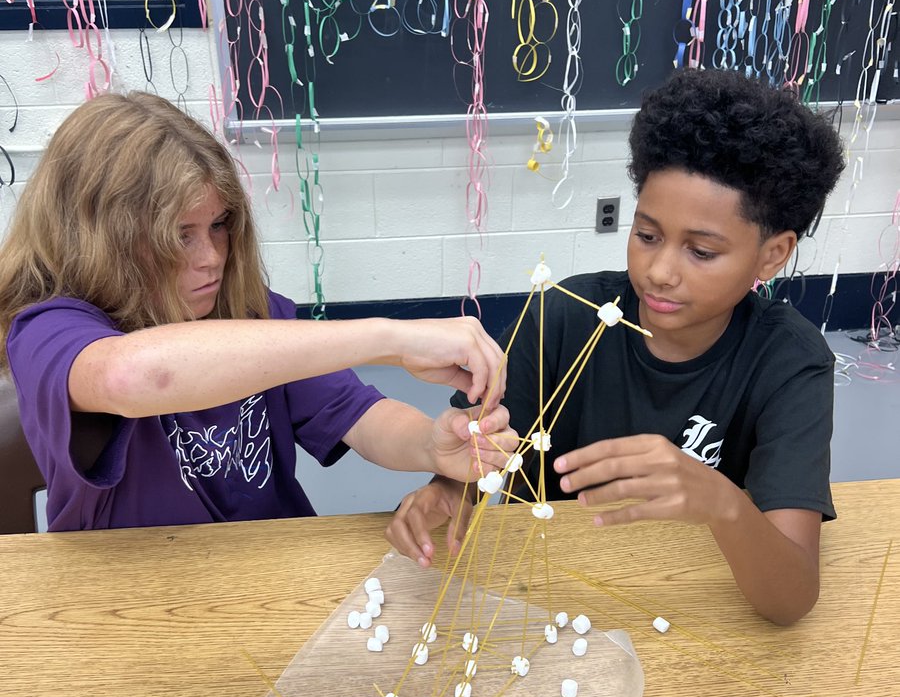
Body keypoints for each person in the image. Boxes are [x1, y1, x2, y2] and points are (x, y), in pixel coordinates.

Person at [386, 68, 846, 626]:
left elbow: (789, 600)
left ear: (773, 255)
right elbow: (480, 457)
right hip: (551, 596)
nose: (658, 271)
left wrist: (722, 502)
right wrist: (447, 492)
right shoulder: (563, 317)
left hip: (687, 604)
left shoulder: (791, 363)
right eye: (647, 235)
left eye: (701, 252)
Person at [0, 92, 513, 532]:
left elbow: (359, 416)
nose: (212, 258)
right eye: (180, 235)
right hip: (132, 597)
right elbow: (135, 375)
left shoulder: (255, 314)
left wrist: (431, 444)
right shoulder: (48, 330)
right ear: (102, 240)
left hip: (269, 571)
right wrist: (393, 339)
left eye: (219, 225)